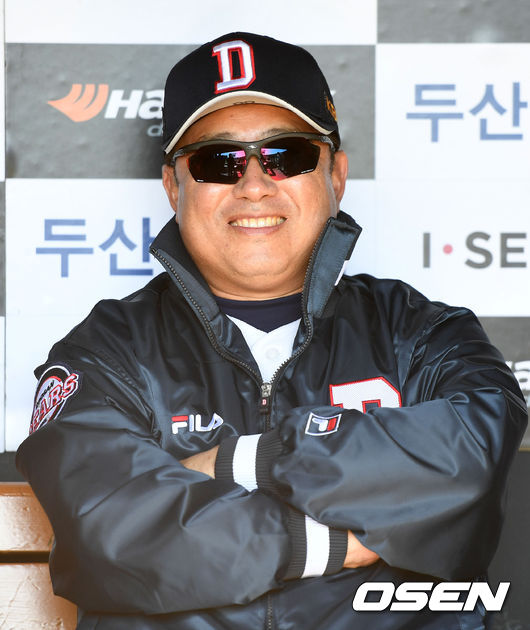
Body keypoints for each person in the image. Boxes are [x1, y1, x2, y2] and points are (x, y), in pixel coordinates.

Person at [17, 32, 527, 630]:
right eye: (218, 161)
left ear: (336, 174)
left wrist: (247, 462)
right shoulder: (107, 351)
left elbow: (472, 455)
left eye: (287, 155)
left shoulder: (423, 333)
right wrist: (325, 541)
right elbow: (110, 528)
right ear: (174, 186)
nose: (254, 185)